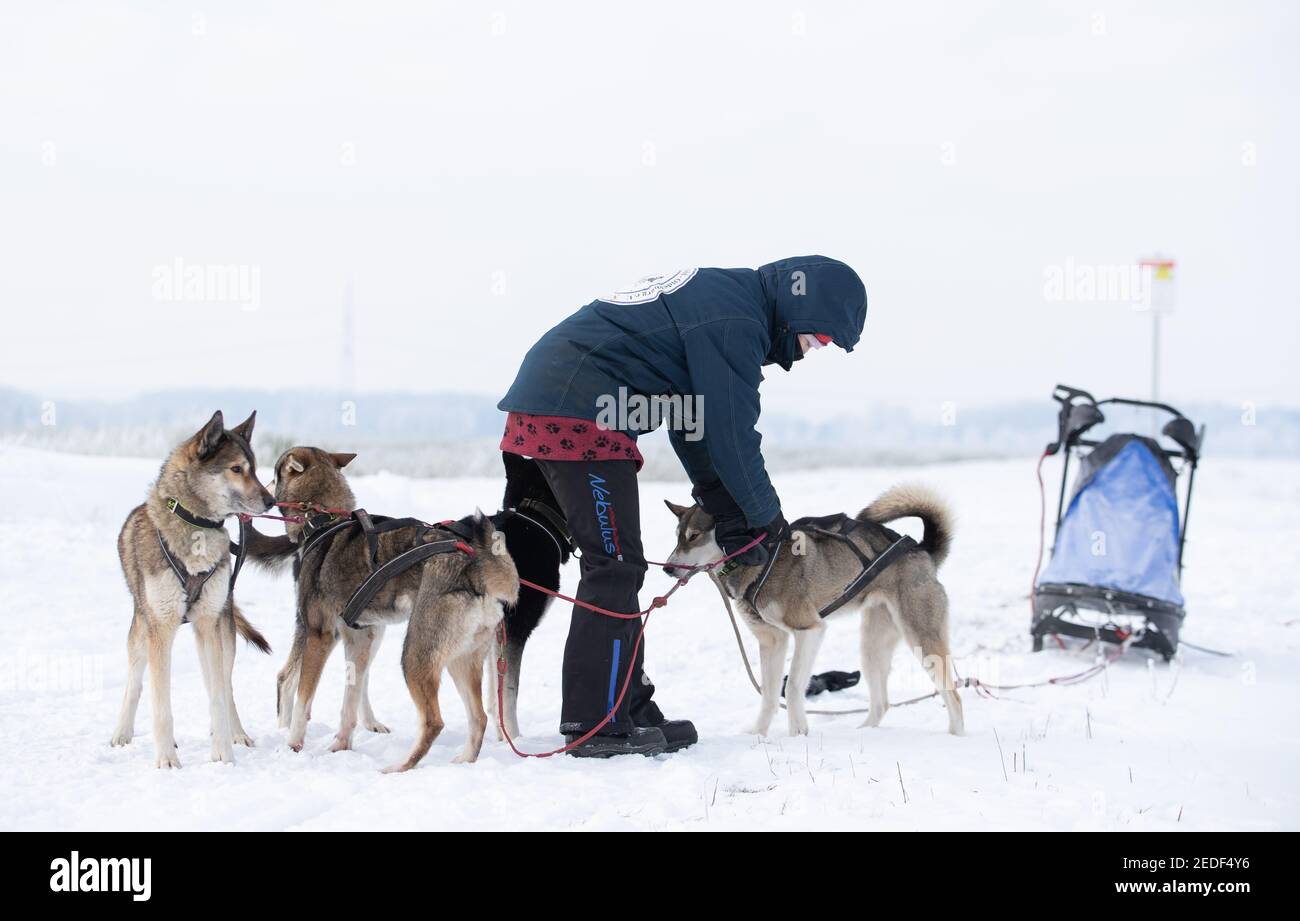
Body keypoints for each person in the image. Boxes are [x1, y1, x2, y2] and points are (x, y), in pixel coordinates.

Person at [497, 256, 868, 757]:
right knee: (613, 566)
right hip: (578, 410)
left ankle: (626, 706)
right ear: (803, 307)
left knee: (620, 565)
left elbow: (692, 423)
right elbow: (731, 432)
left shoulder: (733, 304)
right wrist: (766, 518)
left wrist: (728, 509)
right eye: (821, 337)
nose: (816, 348)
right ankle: (597, 723)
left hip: (575, 403)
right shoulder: (736, 320)